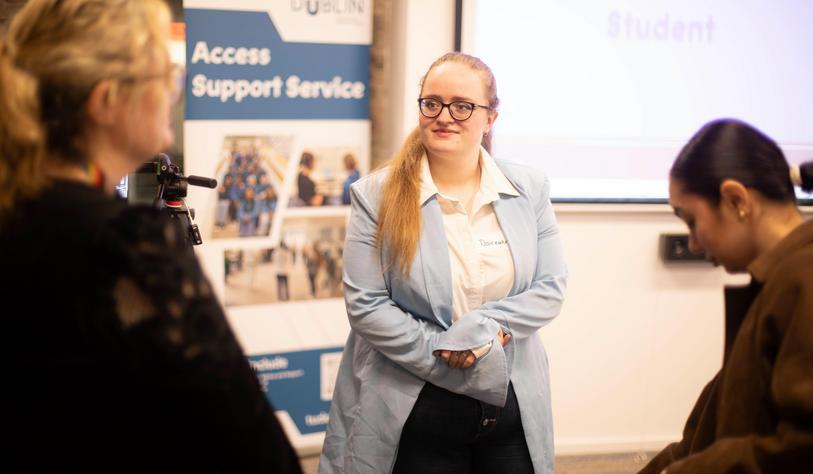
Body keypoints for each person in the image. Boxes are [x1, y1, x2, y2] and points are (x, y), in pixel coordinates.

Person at [0, 1, 301, 472]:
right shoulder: (123, 242)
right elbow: (255, 449)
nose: (172, 94)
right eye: (165, 77)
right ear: (104, 102)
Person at [319, 52, 568, 473]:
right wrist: (444, 350)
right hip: (418, 409)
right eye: (431, 103)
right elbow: (366, 305)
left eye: (462, 105)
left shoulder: (529, 188)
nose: (444, 116)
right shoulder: (376, 196)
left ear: (490, 117)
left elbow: (550, 287)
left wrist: (484, 329)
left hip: (511, 408)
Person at [639, 119, 813, 473]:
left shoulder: (802, 280)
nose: (693, 244)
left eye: (691, 221)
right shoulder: (778, 280)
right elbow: (708, 432)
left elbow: (802, 449)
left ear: (736, 200)